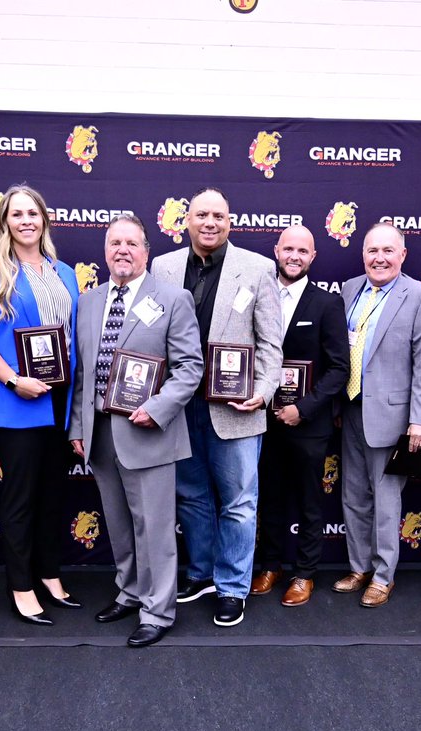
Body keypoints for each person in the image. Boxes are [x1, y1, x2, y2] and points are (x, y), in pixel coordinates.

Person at [150, 187, 282, 627]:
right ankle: (201, 573)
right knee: (190, 496)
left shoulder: (259, 268)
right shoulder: (163, 267)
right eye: (201, 215)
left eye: (218, 216)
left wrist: (263, 390)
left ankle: (231, 587)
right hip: (179, 406)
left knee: (240, 503)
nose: (210, 223)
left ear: (230, 221)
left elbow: (269, 344)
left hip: (238, 407)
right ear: (186, 220)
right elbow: (151, 336)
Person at [70, 214, 202, 647]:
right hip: (101, 433)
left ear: (147, 251)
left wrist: (158, 407)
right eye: (114, 243)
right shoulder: (89, 302)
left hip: (149, 432)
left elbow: (190, 368)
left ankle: (159, 611)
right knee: (119, 524)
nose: (122, 250)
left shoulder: (172, 298)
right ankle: (129, 592)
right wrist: (78, 426)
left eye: (131, 243)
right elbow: (84, 373)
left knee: (156, 527)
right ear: (105, 251)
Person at [0, 184, 80, 626]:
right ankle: (21, 585)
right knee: (19, 502)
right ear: (4, 221)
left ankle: (49, 574)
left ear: (44, 219)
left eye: (33, 213)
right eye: (17, 214)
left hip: (58, 403)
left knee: (53, 496)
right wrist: (14, 379)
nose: (26, 221)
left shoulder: (64, 272)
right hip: (15, 403)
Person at [336, 222, 421, 607]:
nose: (379, 258)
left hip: (393, 416)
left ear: (402, 255)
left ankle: (383, 575)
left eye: (387, 251)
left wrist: (419, 419)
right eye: (372, 251)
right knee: (353, 494)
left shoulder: (419, 297)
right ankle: (359, 566)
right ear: (363, 255)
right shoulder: (350, 290)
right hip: (349, 409)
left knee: (385, 498)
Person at [251, 225, 349, 606]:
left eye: (302, 251)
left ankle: (305, 573)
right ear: (277, 251)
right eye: (288, 248)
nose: (294, 256)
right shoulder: (256, 296)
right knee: (270, 497)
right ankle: (271, 566)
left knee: (309, 500)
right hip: (260, 418)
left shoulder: (327, 304)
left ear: (313, 257)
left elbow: (339, 368)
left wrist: (302, 409)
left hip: (308, 423)